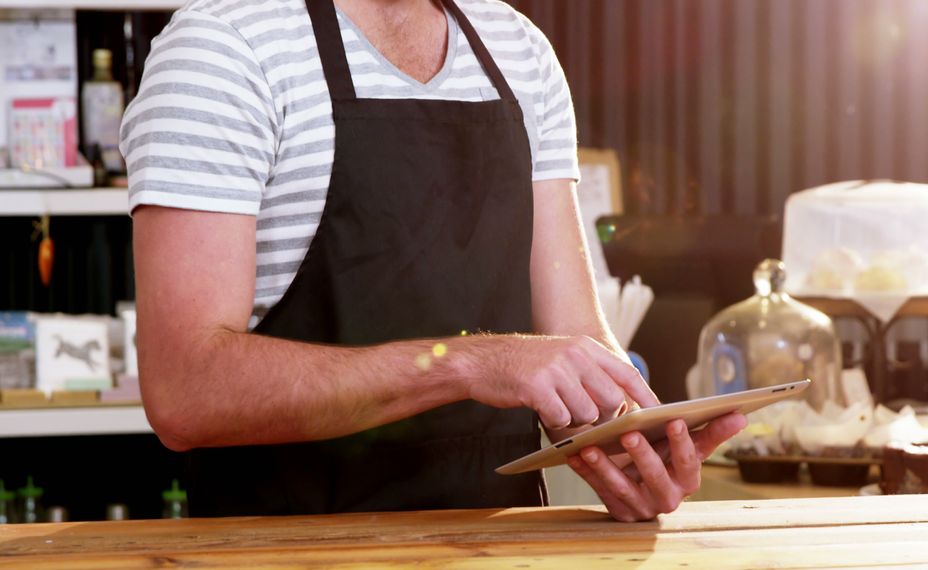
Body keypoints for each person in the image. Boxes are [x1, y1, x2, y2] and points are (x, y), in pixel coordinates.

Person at [120, 0, 746, 522]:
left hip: (499, 550)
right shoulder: (222, 49)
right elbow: (185, 392)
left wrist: (626, 442)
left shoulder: (517, 49)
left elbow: (575, 335)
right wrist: (466, 364)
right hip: (283, 548)